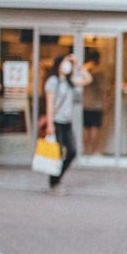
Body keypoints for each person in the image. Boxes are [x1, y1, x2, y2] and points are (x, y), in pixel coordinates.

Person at [42, 53, 90, 195]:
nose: (66, 65)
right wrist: (50, 124)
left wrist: (77, 65)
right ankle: (54, 182)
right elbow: (49, 105)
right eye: (64, 63)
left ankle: (56, 178)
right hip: (56, 122)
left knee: (72, 151)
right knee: (57, 154)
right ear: (58, 65)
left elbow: (88, 79)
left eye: (67, 63)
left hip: (67, 123)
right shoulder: (53, 81)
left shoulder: (69, 81)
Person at [81, 51, 106, 155]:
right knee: (95, 127)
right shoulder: (99, 72)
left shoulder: (84, 70)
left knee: (86, 128)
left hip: (85, 102)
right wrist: (106, 101)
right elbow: (102, 89)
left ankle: (85, 150)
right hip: (96, 104)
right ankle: (93, 150)